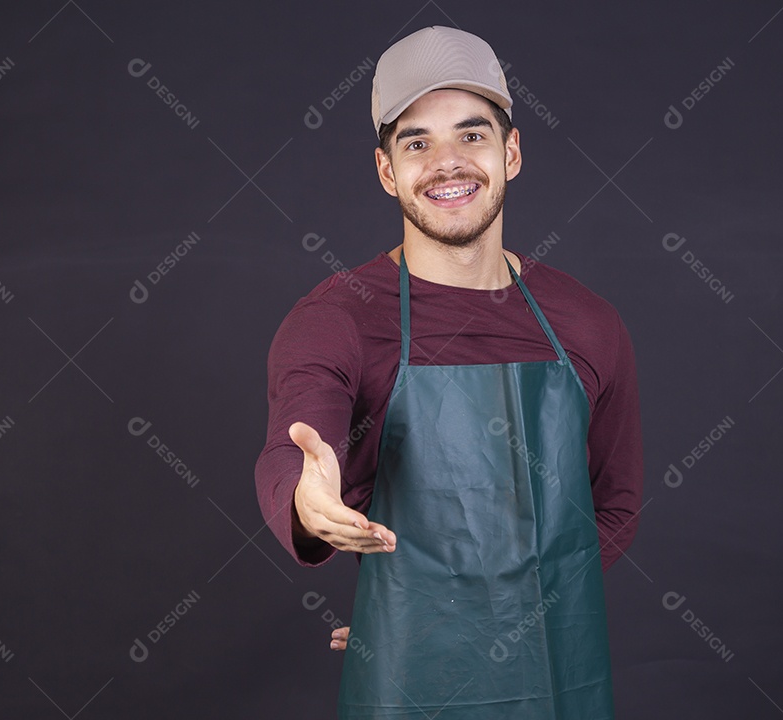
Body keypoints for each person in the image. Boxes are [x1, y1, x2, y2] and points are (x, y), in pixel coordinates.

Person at [255, 25, 643, 719]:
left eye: (471, 134)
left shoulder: (589, 322)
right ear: (386, 170)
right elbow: (295, 448)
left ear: (511, 152)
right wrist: (308, 504)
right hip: (409, 687)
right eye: (416, 142)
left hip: (557, 682)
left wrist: (487, 623)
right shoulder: (339, 319)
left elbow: (611, 506)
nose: (447, 163)